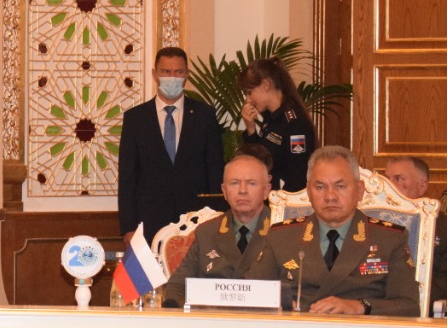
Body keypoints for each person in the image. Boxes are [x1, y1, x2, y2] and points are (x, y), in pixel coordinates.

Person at [246, 146, 418, 316]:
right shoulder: (282, 236)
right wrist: (280, 304)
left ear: (359, 190)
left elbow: (409, 306)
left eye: (340, 186)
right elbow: (251, 292)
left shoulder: (389, 238)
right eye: (320, 187)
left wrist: (360, 306)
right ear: (309, 192)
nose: (330, 196)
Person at [117, 46, 224, 243]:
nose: (172, 77)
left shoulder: (205, 115)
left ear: (187, 75)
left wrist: (216, 220)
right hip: (148, 222)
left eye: (178, 72)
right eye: (166, 72)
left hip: (196, 221)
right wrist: (128, 228)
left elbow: (215, 170)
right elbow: (127, 178)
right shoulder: (135, 119)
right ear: (155, 74)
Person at [162, 147, 274, 308]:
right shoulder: (206, 232)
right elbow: (178, 285)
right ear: (224, 191)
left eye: (251, 183)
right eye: (234, 183)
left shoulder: (283, 232)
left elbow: (297, 290)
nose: (242, 191)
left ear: (266, 190)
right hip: (212, 319)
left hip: (264, 321)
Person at [239, 57, 317, 191]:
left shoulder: (294, 123)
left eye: (249, 92)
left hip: (285, 200)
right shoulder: (270, 117)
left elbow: (298, 177)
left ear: (266, 85)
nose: (248, 100)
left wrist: (281, 201)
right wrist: (251, 130)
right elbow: (259, 161)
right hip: (268, 197)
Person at [384, 155, 446, 302]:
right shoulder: (369, 222)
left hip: (424, 302)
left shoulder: (443, 227)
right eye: (386, 180)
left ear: (422, 187)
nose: (389, 186)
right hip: (376, 302)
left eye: (398, 179)